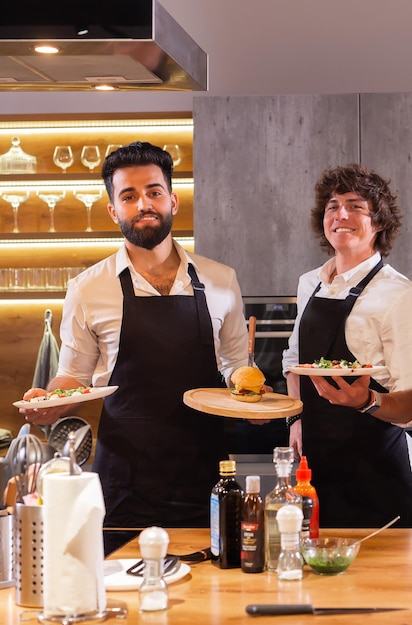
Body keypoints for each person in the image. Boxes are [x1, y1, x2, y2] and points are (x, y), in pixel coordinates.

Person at [20, 141, 249, 532]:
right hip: (124, 480)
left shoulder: (221, 280)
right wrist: (51, 402)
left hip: (207, 478)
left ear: (173, 201)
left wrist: (252, 402)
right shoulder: (87, 288)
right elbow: (73, 376)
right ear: (113, 210)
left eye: (154, 192)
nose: (144, 203)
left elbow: (236, 368)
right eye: (129, 195)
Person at [282, 163, 412, 528]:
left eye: (355, 205)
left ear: (380, 222)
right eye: (332, 205)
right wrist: (295, 418)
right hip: (316, 470)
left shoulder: (399, 295)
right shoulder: (310, 283)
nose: (341, 214)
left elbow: (411, 401)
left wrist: (367, 401)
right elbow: (294, 360)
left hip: (376, 474)